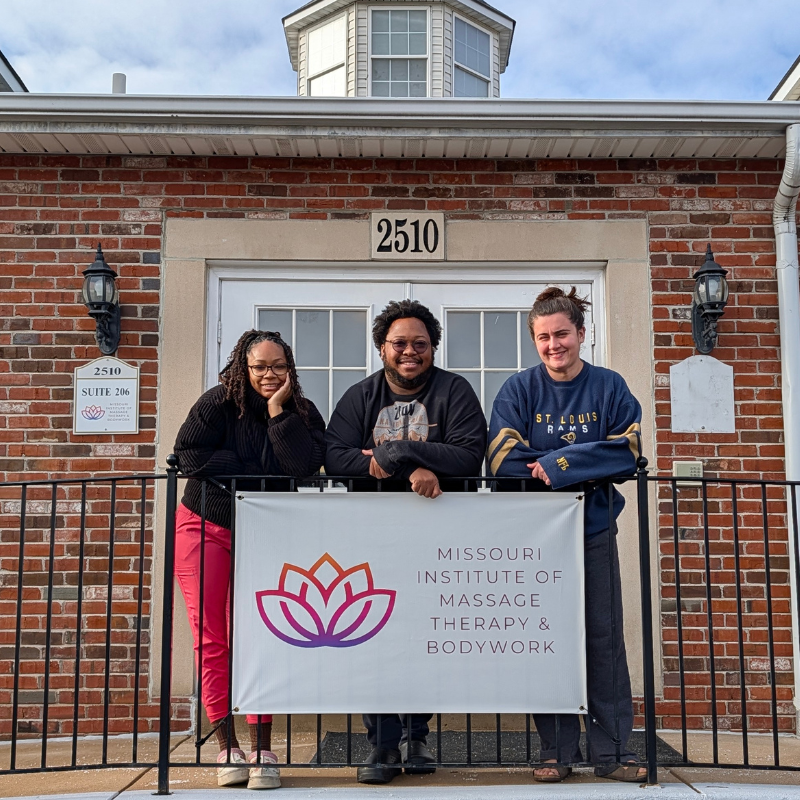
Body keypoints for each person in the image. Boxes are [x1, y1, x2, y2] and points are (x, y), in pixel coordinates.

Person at [325, 299, 487, 784]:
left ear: (433, 347)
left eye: (420, 343)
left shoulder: (454, 391)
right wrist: (412, 467)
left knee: (424, 637)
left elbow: (469, 456)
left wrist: (396, 452)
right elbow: (334, 456)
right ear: (382, 349)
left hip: (438, 538)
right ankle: (382, 746)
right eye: (399, 343)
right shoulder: (360, 396)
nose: (410, 352)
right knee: (376, 639)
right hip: (373, 537)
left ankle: (417, 737)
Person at [487, 287, 645, 783]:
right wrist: (587, 463)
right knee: (547, 640)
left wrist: (557, 463)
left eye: (561, 334)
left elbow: (629, 453)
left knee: (604, 639)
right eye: (543, 337)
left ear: (581, 334)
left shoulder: (610, 386)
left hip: (594, 529)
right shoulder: (518, 389)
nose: (554, 345)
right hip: (538, 537)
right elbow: (500, 460)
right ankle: (557, 752)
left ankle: (614, 753)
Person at [173, 329, 325, 791]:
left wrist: (278, 415)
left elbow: (302, 466)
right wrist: (253, 470)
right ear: (244, 365)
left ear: (290, 369)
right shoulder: (216, 403)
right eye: (259, 366)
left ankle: (262, 746)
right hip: (205, 526)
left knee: (260, 634)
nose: (268, 374)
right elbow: (188, 455)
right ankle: (227, 745)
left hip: (267, 534)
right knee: (211, 636)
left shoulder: (301, 411)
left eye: (278, 366)